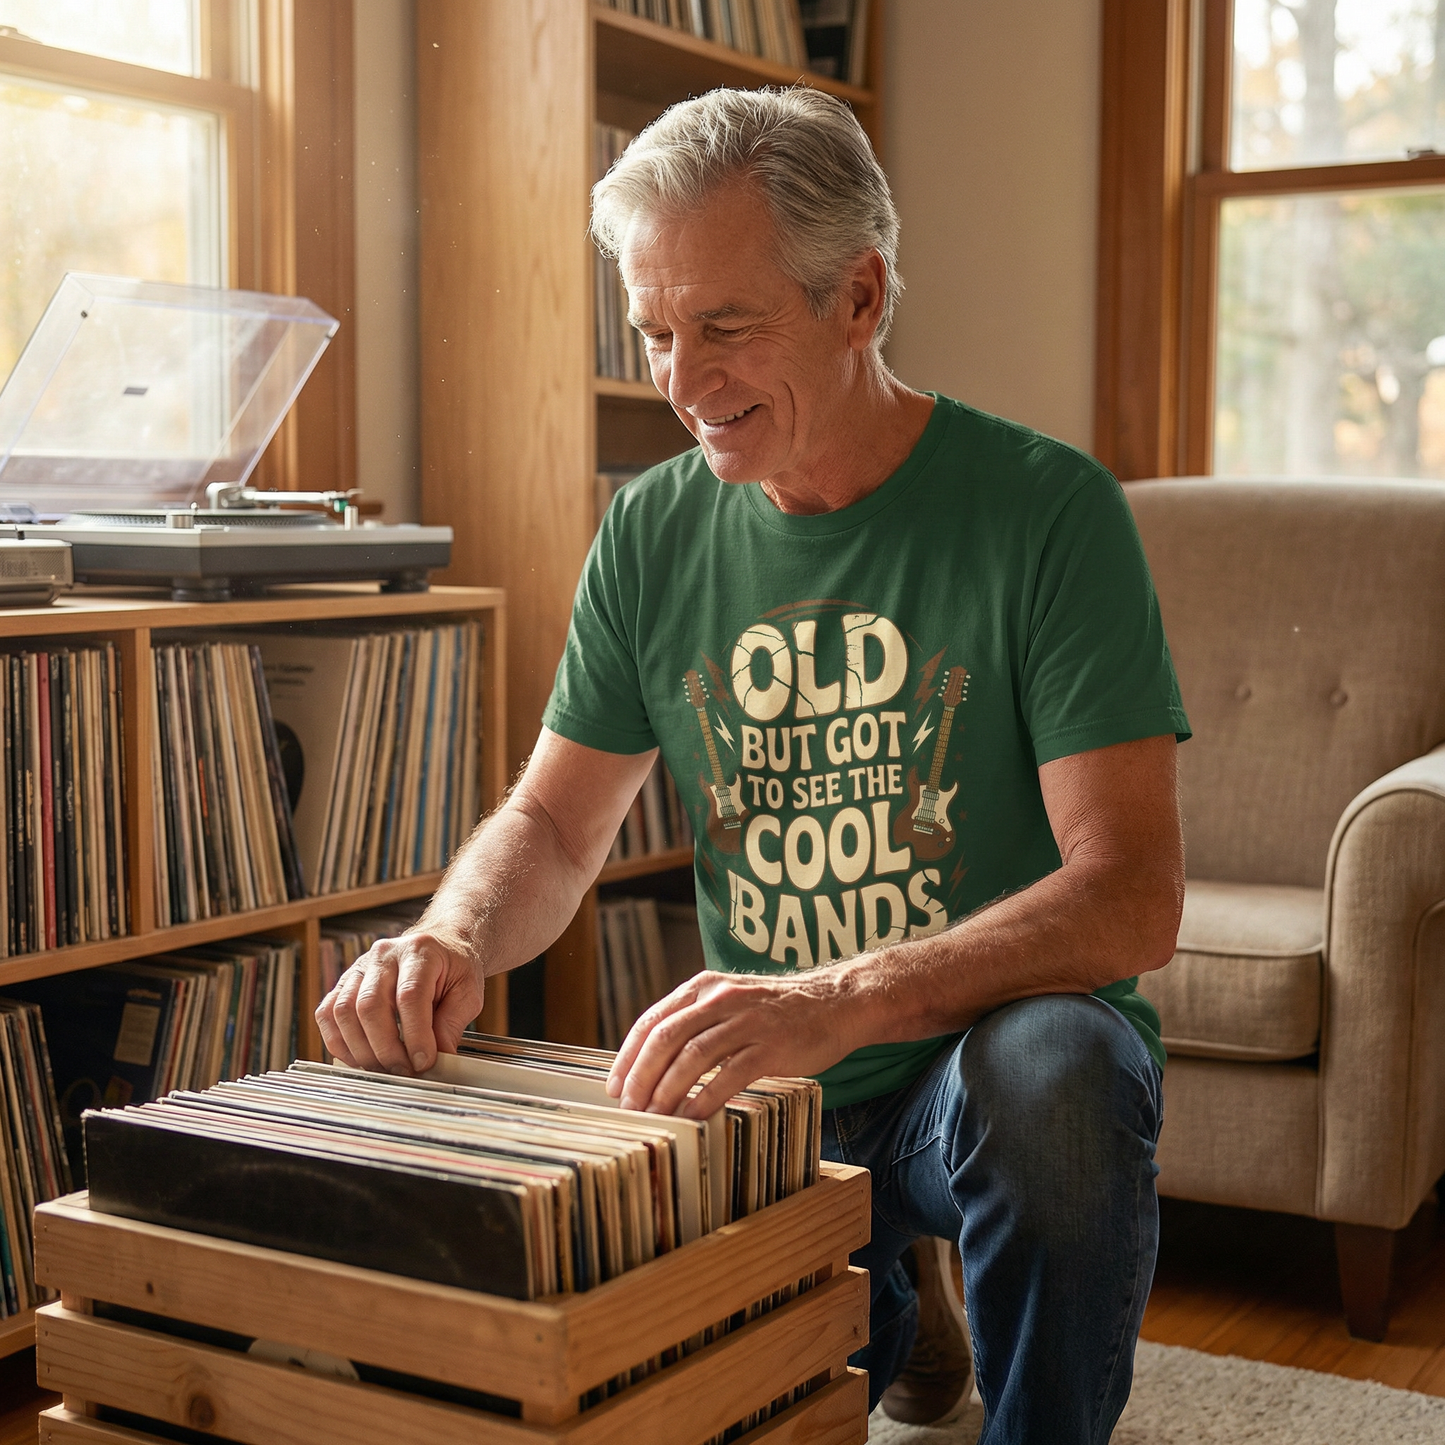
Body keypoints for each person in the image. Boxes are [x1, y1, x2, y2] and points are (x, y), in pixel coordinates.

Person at [316, 86, 1188, 1444]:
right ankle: (892, 1284)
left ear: (860, 297)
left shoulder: (1048, 512)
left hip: (979, 1074)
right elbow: (553, 823)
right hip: (770, 1109)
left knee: (1058, 1079)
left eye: (726, 326)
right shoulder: (651, 535)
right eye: (656, 332)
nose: (682, 381)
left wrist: (836, 1000)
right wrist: (450, 937)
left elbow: (1130, 895)